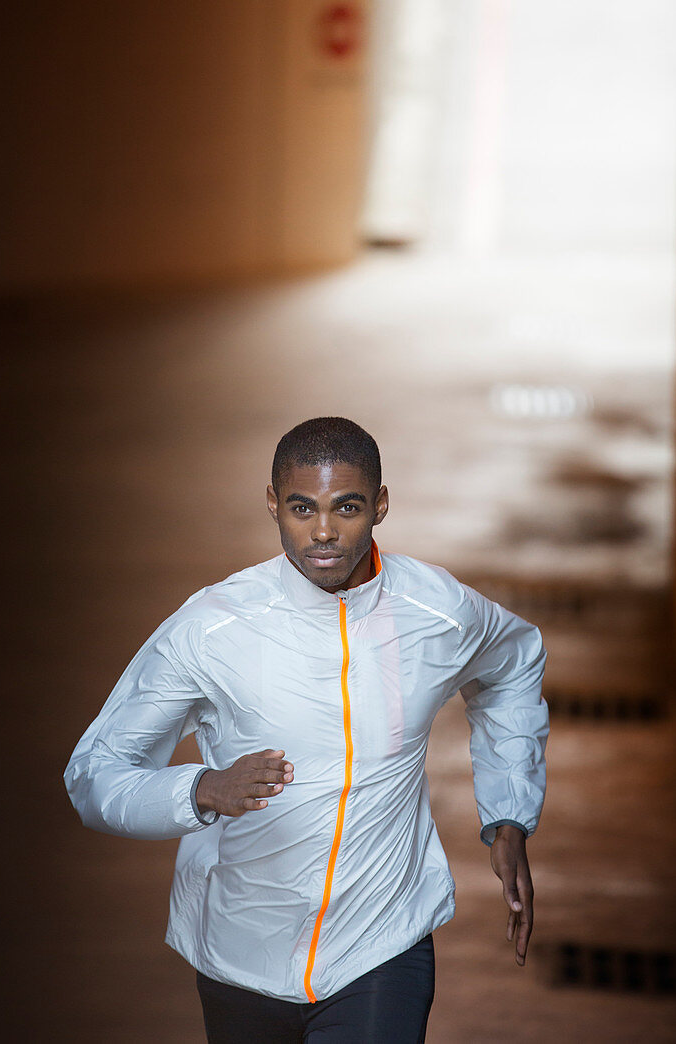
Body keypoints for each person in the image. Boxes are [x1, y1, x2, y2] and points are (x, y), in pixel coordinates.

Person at [64, 416, 548, 1043]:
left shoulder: (437, 610)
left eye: (346, 507)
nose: (323, 531)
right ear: (273, 505)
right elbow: (95, 775)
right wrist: (199, 789)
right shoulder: (212, 628)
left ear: (380, 506)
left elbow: (514, 662)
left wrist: (508, 814)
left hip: (381, 944)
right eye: (301, 508)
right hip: (241, 954)